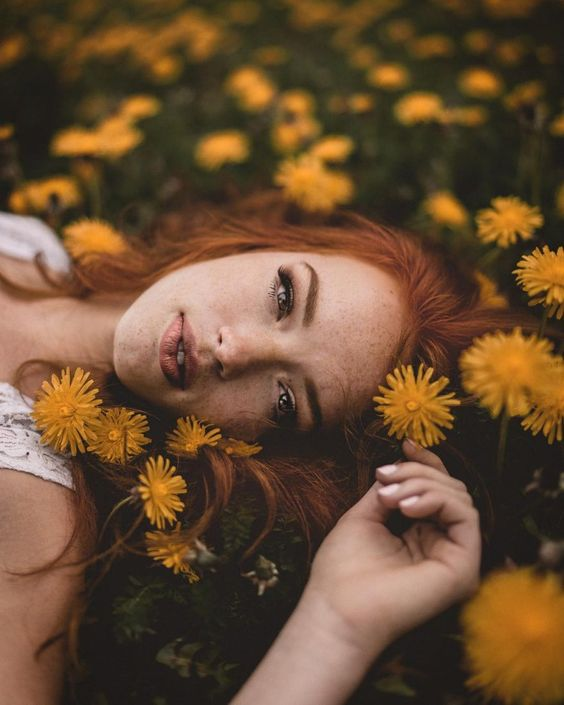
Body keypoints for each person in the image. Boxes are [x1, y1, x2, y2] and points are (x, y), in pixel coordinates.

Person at [0, 197, 531, 704]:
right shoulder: (32, 245)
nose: (236, 352)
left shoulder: (33, 510)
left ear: (258, 448)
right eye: (284, 298)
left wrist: (336, 627)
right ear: (260, 245)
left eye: (284, 400)